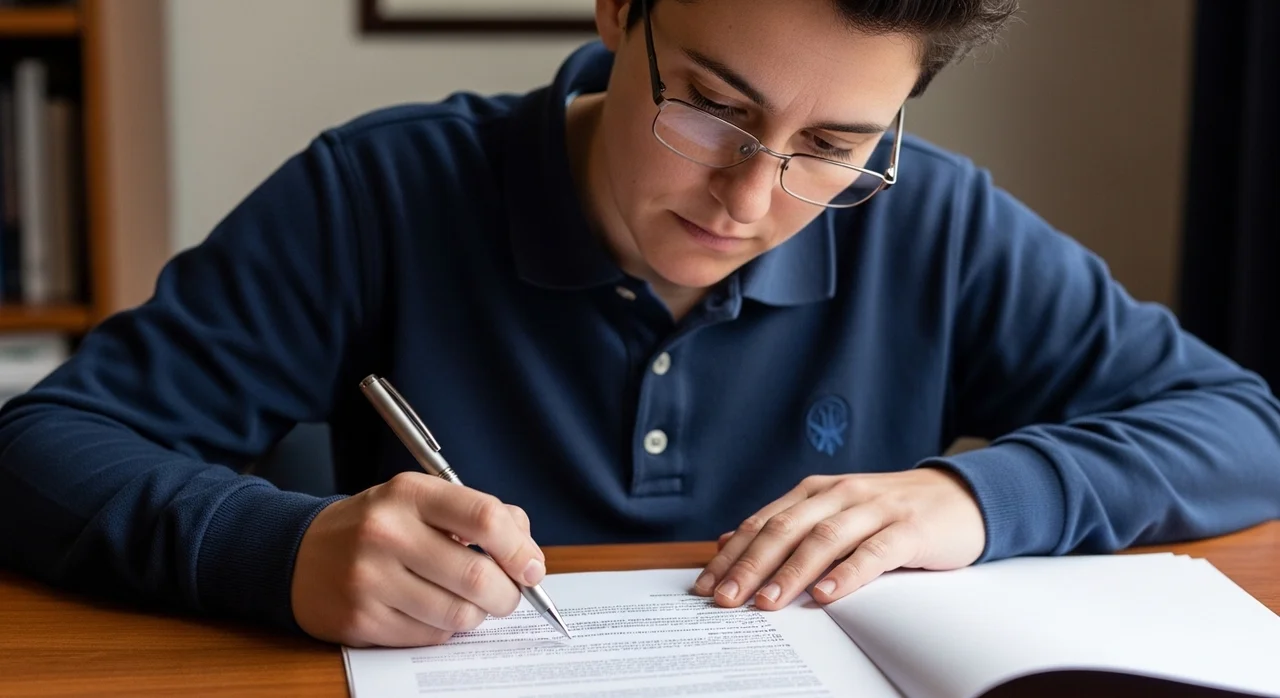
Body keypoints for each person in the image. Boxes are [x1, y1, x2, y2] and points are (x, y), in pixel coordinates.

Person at [2, 0, 1278, 651]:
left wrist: (977, 497)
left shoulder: (929, 220)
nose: (751, 195)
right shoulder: (379, 192)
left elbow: (1239, 425)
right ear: (619, 11)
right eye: (714, 109)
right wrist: (275, 548)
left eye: (833, 145)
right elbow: (41, 447)